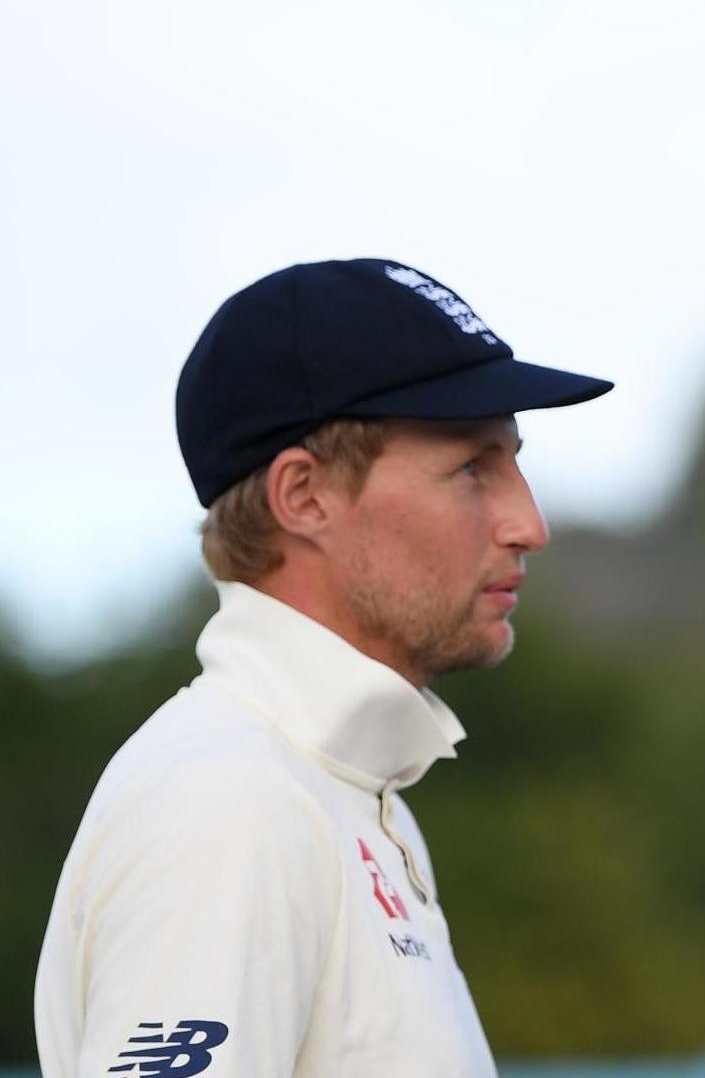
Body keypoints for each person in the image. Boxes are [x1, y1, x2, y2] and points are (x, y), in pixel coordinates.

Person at [35, 259, 611, 1077]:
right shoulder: (233, 799)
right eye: (472, 469)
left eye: (513, 463)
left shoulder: (336, 787)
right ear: (303, 495)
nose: (529, 523)